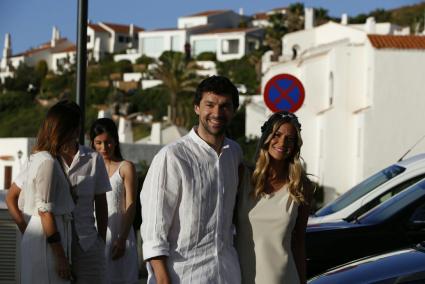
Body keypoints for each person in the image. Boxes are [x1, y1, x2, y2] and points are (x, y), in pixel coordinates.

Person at [140, 75, 243, 284]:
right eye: (210, 105)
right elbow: (154, 232)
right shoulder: (172, 157)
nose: (217, 113)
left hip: (227, 273)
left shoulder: (235, 153)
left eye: (224, 106)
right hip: (184, 276)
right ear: (197, 107)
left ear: (233, 111)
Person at [6, 100, 112, 284]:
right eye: (75, 126)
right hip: (54, 245)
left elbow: (101, 203)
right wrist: (28, 231)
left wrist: (101, 241)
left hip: (87, 245)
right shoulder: (44, 160)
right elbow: (11, 198)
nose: (77, 131)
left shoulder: (94, 159)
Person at [235, 111, 313, 284]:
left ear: (295, 145)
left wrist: (303, 281)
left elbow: (299, 242)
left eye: (290, 139)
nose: (282, 142)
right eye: (277, 135)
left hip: (285, 278)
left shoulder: (301, 186)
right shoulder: (243, 177)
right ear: (266, 137)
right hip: (242, 276)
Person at [9, 101, 76, 283]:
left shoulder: (43, 158)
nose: (76, 136)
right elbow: (45, 212)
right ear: (64, 131)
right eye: (74, 130)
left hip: (41, 236)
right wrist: (61, 257)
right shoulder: (47, 161)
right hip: (46, 241)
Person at [90, 118, 139, 284]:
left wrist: (122, 238)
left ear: (116, 142)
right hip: (96, 236)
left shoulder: (126, 167)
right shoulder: (90, 169)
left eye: (108, 142)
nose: (104, 148)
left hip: (121, 235)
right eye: (99, 143)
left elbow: (131, 205)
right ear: (92, 143)